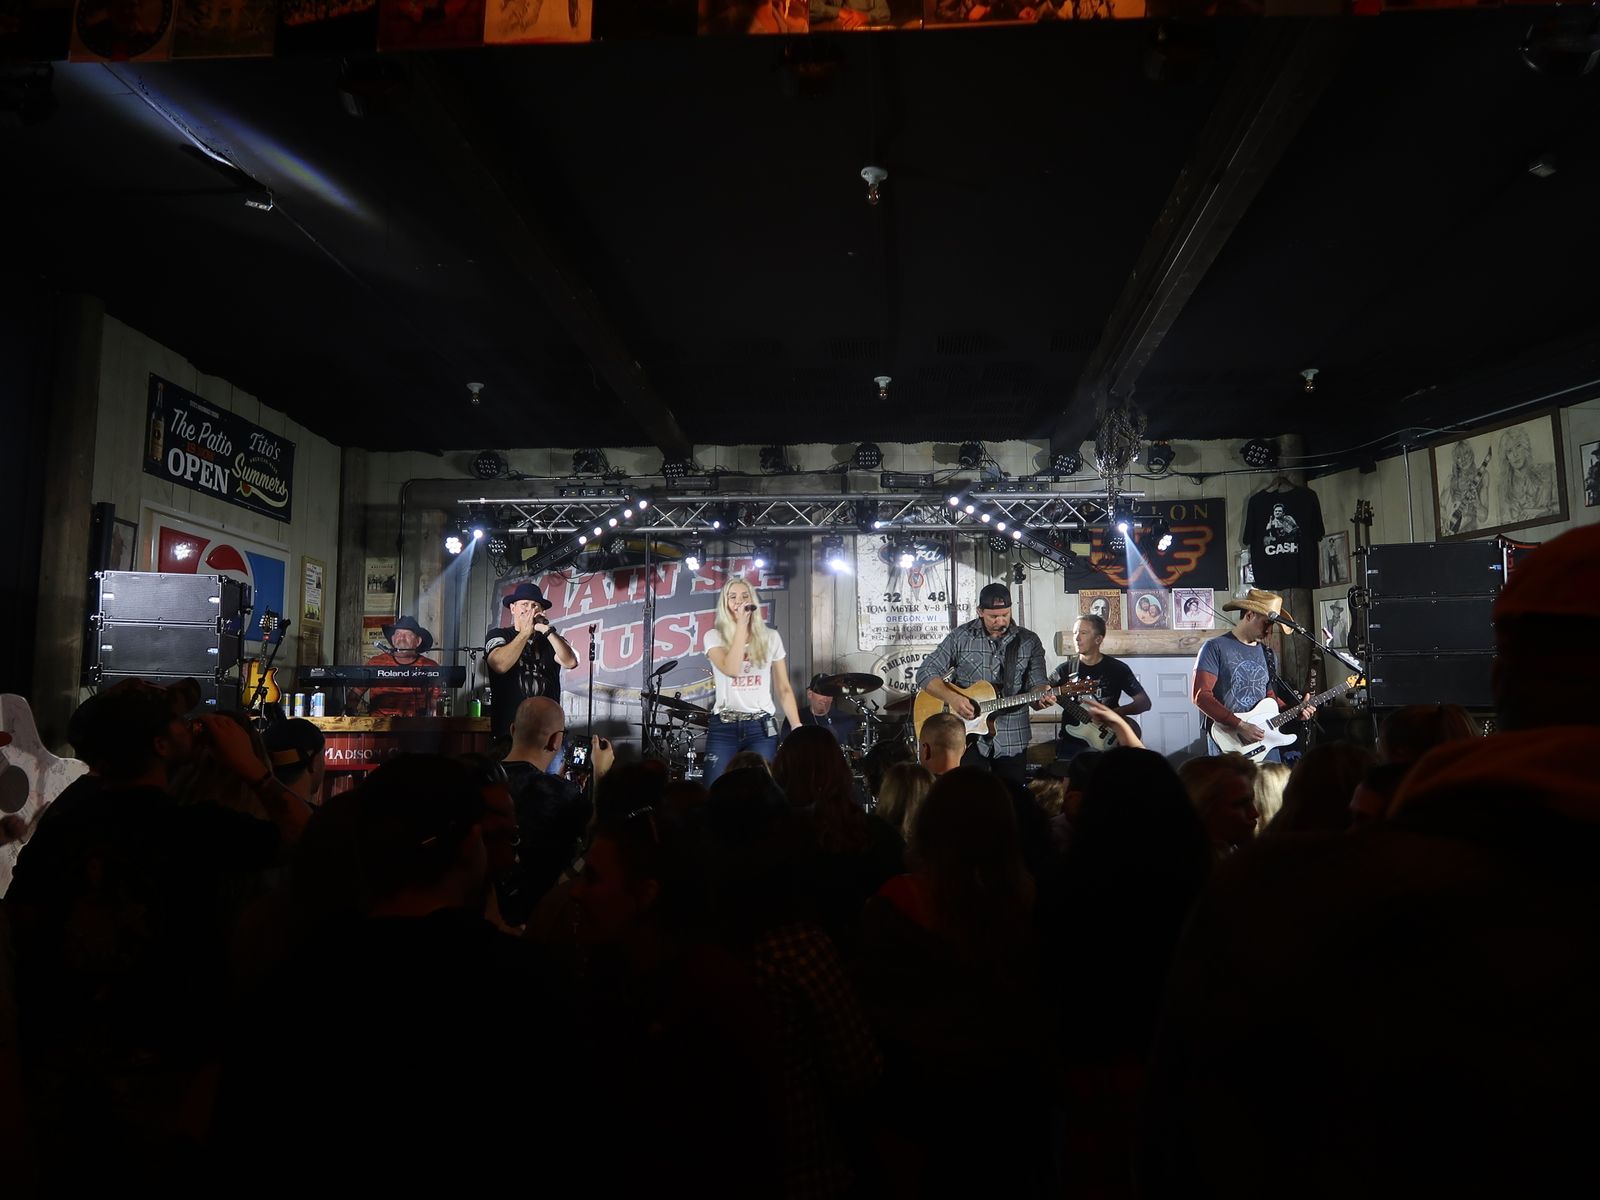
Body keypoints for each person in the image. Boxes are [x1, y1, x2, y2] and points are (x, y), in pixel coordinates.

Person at [914, 582, 1054, 783]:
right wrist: (953, 699)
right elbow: (925, 673)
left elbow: (1038, 683)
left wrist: (1042, 695)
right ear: (980, 611)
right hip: (967, 738)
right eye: (993, 616)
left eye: (1005, 614)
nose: (1001, 621)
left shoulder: (1029, 641)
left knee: (1011, 796)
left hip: (1012, 737)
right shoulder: (960, 637)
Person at [494, 696, 613, 926]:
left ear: (513, 730)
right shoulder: (561, 794)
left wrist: (559, 781)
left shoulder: (485, 777)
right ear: (556, 740)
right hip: (541, 916)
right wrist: (601, 774)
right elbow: (597, 831)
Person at [1191, 588, 1315, 763]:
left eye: (1273, 625)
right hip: (1229, 741)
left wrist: (1295, 710)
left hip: (1265, 741)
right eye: (1266, 623)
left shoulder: (1268, 654)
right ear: (1249, 615)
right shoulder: (1214, 647)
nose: (1269, 631)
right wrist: (1240, 725)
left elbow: (1269, 698)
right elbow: (1201, 696)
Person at [702, 575, 802, 785]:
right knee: (715, 786)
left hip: (761, 726)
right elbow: (731, 669)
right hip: (725, 726)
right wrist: (741, 626)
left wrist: (796, 726)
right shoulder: (713, 636)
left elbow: (783, 687)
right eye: (732, 597)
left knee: (763, 787)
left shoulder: (770, 637)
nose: (739, 601)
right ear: (725, 603)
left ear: (752, 601)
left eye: (744, 596)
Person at [485, 582, 577, 739]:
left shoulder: (551, 639)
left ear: (542, 611)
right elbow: (499, 665)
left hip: (547, 733)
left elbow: (571, 662)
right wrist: (525, 633)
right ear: (513, 608)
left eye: (535, 605)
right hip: (509, 733)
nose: (530, 609)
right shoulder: (498, 635)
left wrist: (547, 630)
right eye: (525, 604)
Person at [1055, 614, 1150, 761]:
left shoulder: (1118, 668)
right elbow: (1041, 695)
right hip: (1071, 745)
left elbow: (1144, 702)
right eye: (1074, 633)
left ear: (1098, 639)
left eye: (1083, 633)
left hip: (1107, 745)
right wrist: (1038, 696)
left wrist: (1115, 713)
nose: (1077, 638)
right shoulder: (1064, 670)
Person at [355, 615, 440, 716]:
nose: (402, 638)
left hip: (416, 724)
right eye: (398, 633)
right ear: (393, 639)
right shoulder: (376, 663)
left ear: (418, 641)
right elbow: (355, 693)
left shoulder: (430, 666)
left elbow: (436, 704)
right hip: (379, 724)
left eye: (407, 634)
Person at [799, 672, 863, 747]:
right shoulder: (797, 718)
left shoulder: (846, 720)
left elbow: (856, 751)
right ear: (810, 694)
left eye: (828, 693)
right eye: (821, 692)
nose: (825, 698)